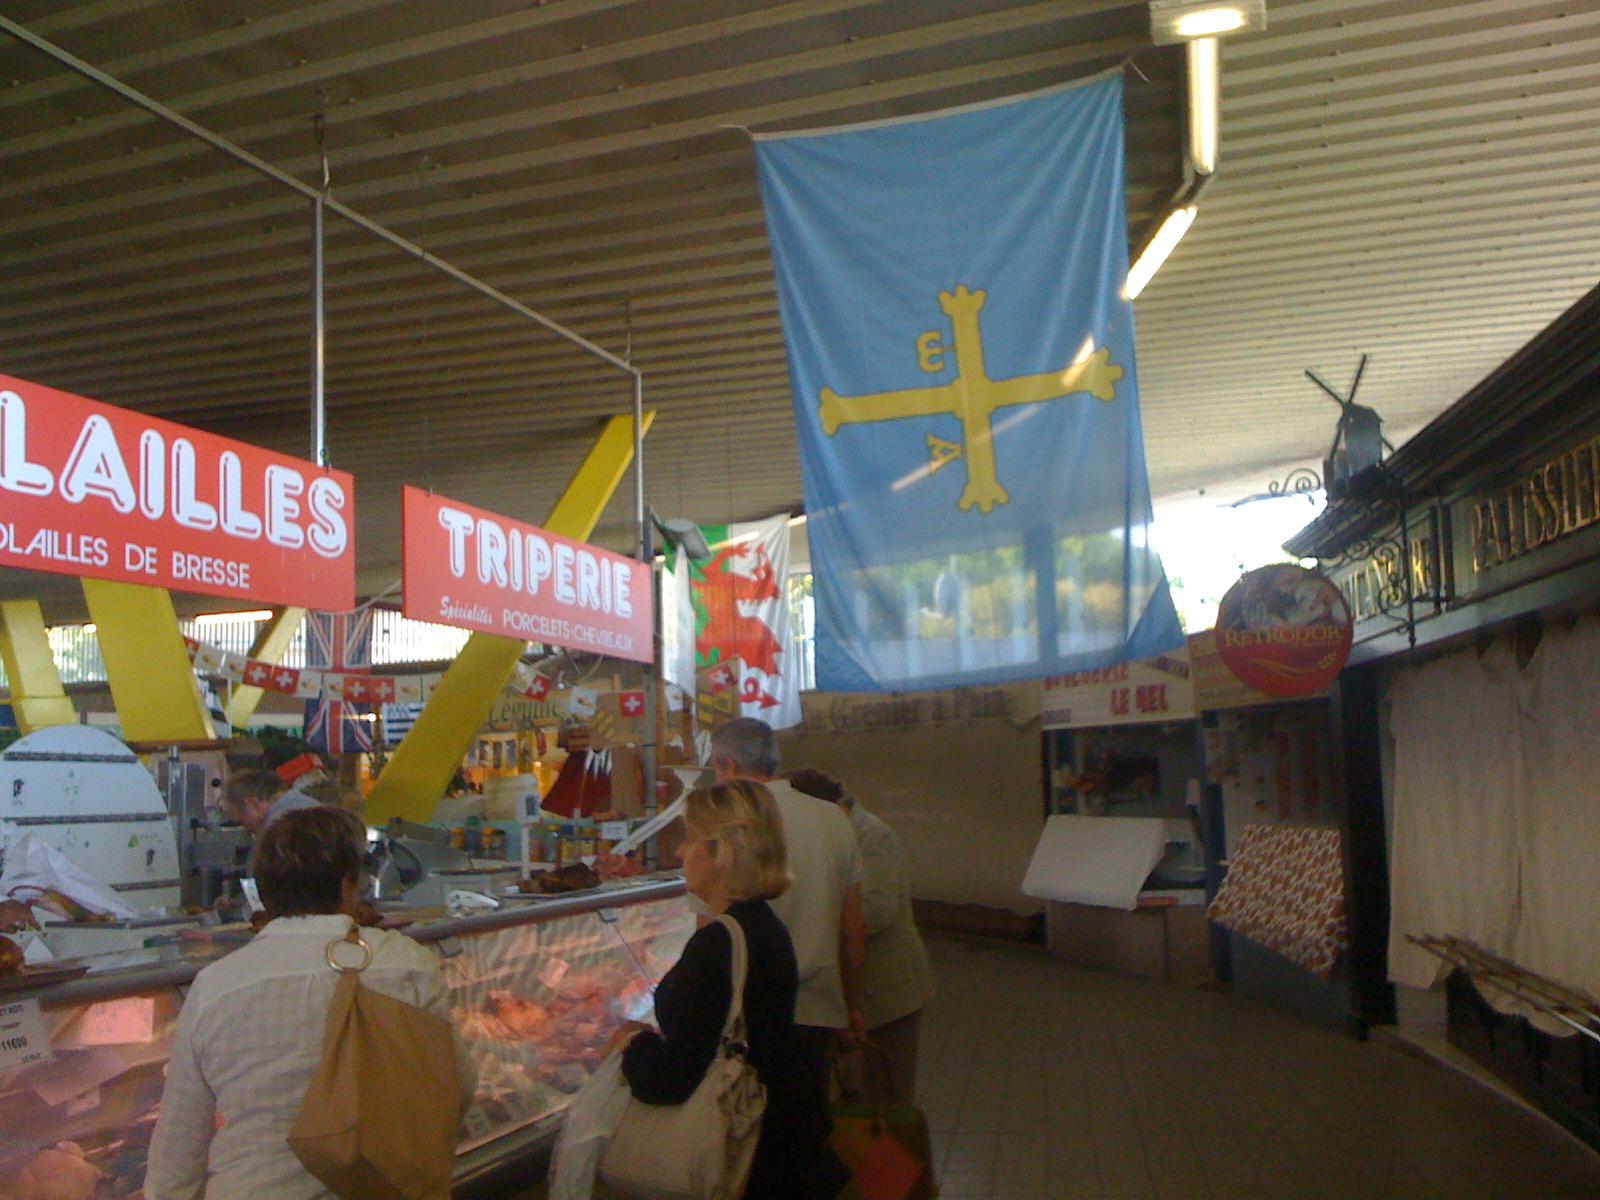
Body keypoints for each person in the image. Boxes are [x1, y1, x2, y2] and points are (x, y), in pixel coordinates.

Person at [145, 807, 472, 1200]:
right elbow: (457, 1087)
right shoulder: (407, 964)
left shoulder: (215, 985)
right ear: (350, 885)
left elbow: (177, 1155)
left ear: (263, 893)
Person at [615, 781, 832, 1198]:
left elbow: (674, 1078)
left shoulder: (717, 945)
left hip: (741, 1159)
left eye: (690, 838)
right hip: (780, 1142)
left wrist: (632, 1044)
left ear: (721, 852)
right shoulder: (766, 927)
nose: (679, 851)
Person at [709, 720, 861, 1190]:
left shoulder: (728, 825)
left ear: (730, 766)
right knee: (803, 1140)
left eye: (715, 769)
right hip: (816, 1013)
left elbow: (711, 936)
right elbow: (852, 930)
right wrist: (852, 1008)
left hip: (745, 1024)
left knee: (751, 1154)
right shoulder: (833, 819)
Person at [787, 768, 935, 1105]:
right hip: (851, 990)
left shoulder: (872, 836)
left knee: (886, 1096)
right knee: (856, 1096)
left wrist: (811, 926)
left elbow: (876, 910)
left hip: (887, 992)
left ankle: (893, 1160)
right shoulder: (829, 834)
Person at [220, 764, 324, 836]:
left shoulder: (276, 828)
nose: (246, 830)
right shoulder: (308, 804)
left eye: (242, 821)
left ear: (253, 804)